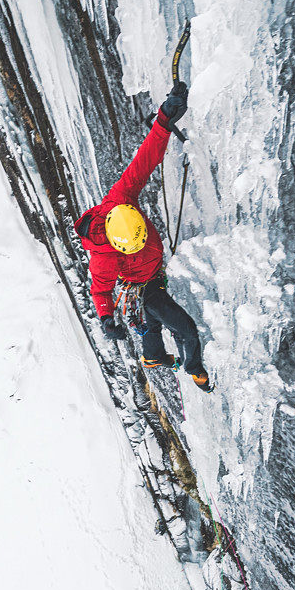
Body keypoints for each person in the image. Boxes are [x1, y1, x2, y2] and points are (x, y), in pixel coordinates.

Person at [74, 83, 212, 392]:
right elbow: (101, 290)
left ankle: (153, 358)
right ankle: (195, 370)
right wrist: (106, 319)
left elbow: (145, 160)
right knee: (186, 330)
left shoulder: (120, 198)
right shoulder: (103, 257)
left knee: (151, 323)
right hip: (142, 287)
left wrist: (164, 118)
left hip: (150, 275)